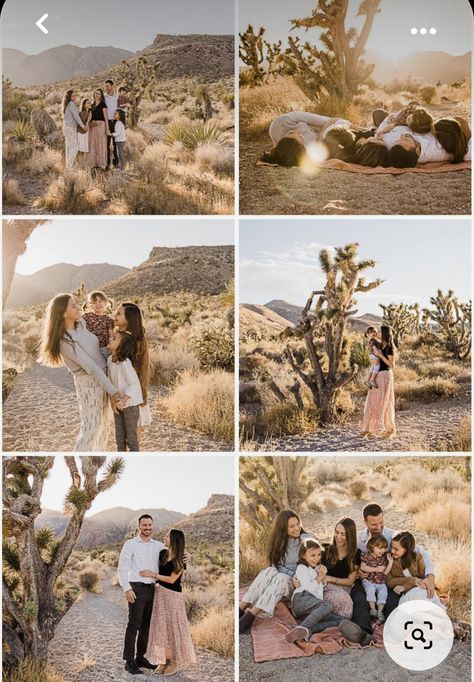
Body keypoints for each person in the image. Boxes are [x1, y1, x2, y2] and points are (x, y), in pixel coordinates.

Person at [39, 294, 127, 451]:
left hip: (104, 379)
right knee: (91, 428)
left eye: (77, 304)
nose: (79, 307)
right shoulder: (65, 340)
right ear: (63, 313)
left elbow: (100, 336)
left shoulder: (81, 324)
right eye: (73, 306)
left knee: (102, 428)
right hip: (89, 384)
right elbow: (92, 367)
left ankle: (96, 460)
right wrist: (113, 391)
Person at [350, 503, 436, 637]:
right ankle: (362, 632)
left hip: (388, 580)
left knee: (392, 602)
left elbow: (422, 552)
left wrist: (430, 576)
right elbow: (350, 559)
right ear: (365, 522)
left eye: (381, 522)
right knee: (359, 598)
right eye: (374, 524)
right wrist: (357, 572)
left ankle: (395, 630)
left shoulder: (392, 536)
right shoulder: (358, 539)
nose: (378, 527)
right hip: (366, 580)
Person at [239, 510, 313, 633]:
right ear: (283, 529)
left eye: (297, 524)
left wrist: (293, 575)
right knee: (269, 570)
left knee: (280, 577)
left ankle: (251, 615)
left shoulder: (306, 540)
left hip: (299, 584)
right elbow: (276, 565)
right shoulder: (280, 542)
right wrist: (286, 573)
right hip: (282, 583)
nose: (296, 528)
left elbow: (312, 564)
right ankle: (241, 609)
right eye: (291, 526)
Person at [285, 538, 366, 644]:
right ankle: (302, 627)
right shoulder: (302, 568)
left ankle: (308, 631)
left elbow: (319, 590)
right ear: (303, 555)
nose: (316, 558)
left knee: (340, 619)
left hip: (311, 607)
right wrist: (320, 576)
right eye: (313, 555)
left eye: (319, 555)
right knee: (327, 606)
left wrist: (322, 578)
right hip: (301, 599)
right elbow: (308, 589)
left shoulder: (314, 570)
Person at [140, 530, 196, 676]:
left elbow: (172, 580)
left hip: (173, 596)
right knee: (161, 626)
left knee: (172, 627)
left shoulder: (181, 559)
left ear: (174, 540)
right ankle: (163, 660)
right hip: (160, 595)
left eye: (167, 536)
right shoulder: (162, 554)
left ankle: (174, 662)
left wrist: (152, 575)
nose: (164, 538)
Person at [118, 514, 162, 675]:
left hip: (153, 589)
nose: (147, 528)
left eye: (150, 525)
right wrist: (126, 589)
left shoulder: (158, 546)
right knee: (133, 625)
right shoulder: (130, 544)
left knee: (146, 627)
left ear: (153, 526)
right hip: (136, 589)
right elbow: (122, 568)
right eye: (144, 525)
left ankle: (140, 658)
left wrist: (188, 557)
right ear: (139, 526)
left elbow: (173, 556)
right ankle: (129, 662)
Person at [258, 112, 357, 167]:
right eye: (299, 135)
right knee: (335, 129)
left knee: (335, 127)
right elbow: (329, 124)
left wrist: (345, 123)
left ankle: (362, 132)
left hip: (326, 130)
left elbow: (322, 120)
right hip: (327, 135)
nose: (299, 134)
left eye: (293, 132)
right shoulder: (299, 152)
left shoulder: (283, 122)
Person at [320, 518, 365, 630]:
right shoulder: (325, 550)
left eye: (343, 534)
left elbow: (350, 581)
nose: (338, 537)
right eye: (337, 532)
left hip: (344, 589)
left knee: (347, 608)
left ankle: (324, 622)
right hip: (326, 588)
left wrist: (330, 578)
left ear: (350, 536)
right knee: (344, 605)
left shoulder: (355, 553)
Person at [114, 302, 151, 432]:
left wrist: (141, 393)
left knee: (135, 431)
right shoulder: (116, 335)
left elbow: (142, 367)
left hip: (134, 390)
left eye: (119, 313)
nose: (115, 315)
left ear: (129, 319)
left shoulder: (138, 340)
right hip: (119, 390)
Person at [387, 531, 444, 607]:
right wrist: (413, 580)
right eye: (391, 547)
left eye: (396, 549)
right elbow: (390, 582)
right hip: (404, 594)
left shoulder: (417, 557)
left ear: (406, 550)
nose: (392, 551)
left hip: (416, 590)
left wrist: (405, 587)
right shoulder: (389, 559)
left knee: (426, 599)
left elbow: (422, 580)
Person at [107, 330, 143, 451]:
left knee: (131, 438)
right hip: (118, 404)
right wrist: (114, 401)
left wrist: (124, 399)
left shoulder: (125, 362)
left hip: (130, 405)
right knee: (119, 437)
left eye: (115, 339)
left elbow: (134, 383)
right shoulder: (109, 360)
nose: (111, 338)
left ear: (121, 346)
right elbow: (110, 383)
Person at [361, 325, 396, 439]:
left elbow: (392, 365)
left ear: (385, 333)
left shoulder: (389, 347)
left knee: (384, 402)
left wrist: (380, 355)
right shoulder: (380, 344)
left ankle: (390, 429)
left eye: (379, 332)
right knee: (373, 400)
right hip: (378, 376)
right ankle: (370, 428)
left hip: (385, 375)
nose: (377, 333)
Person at [360, 534, 393, 622]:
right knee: (370, 590)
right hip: (369, 580)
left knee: (383, 593)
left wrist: (390, 562)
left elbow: (386, 572)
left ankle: (380, 612)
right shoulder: (366, 555)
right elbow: (363, 567)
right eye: (380, 548)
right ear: (372, 546)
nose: (383, 550)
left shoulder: (383, 558)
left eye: (384, 548)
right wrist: (376, 569)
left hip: (381, 582)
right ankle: (373, 609)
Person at [82, 290, 114, 361]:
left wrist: (111, 346)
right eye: (94, 302)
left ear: (105, 303)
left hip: (104, 347)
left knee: (107, 365)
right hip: (90, 347)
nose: (97, 304)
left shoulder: (108, 319)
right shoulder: (86, 317)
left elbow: (111, 334)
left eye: (100, 301)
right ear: (90, 304)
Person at [62, 89, 87, 168]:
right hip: (70, 128)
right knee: (75, 147)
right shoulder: (71, 104)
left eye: (75, 95)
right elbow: (76, 116)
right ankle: (69, 167)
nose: (75, 97)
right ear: (69, 97)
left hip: (67, 127)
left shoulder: (67, 104)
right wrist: (83, 126)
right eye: (72, 96)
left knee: (69, 147)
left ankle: (68, 167)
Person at [88, 88, 108, 170]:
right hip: (93, 126)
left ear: (101, 95)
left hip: (101, 125)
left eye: (99, 94)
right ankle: (93, 163)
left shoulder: (103, 104)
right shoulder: (92, 105)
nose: (97, 95)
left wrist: (107, 128)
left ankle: (102, 163)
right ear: (94, 94)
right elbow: (89, 116)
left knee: (101, 144)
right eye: (96, 93)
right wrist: (88, 124)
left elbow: (106, 118)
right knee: (92, 144)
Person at [104, 78, 119, 168]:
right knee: (106, 144)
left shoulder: (117, 97)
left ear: (113, 86)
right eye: (105, 87)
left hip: (116, 122)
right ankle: (106, 163)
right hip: (107, 122)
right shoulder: (104, 98)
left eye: (108, 86)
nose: (106, 88)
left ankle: (116, 163)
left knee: (115, 143)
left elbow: (122, 110)